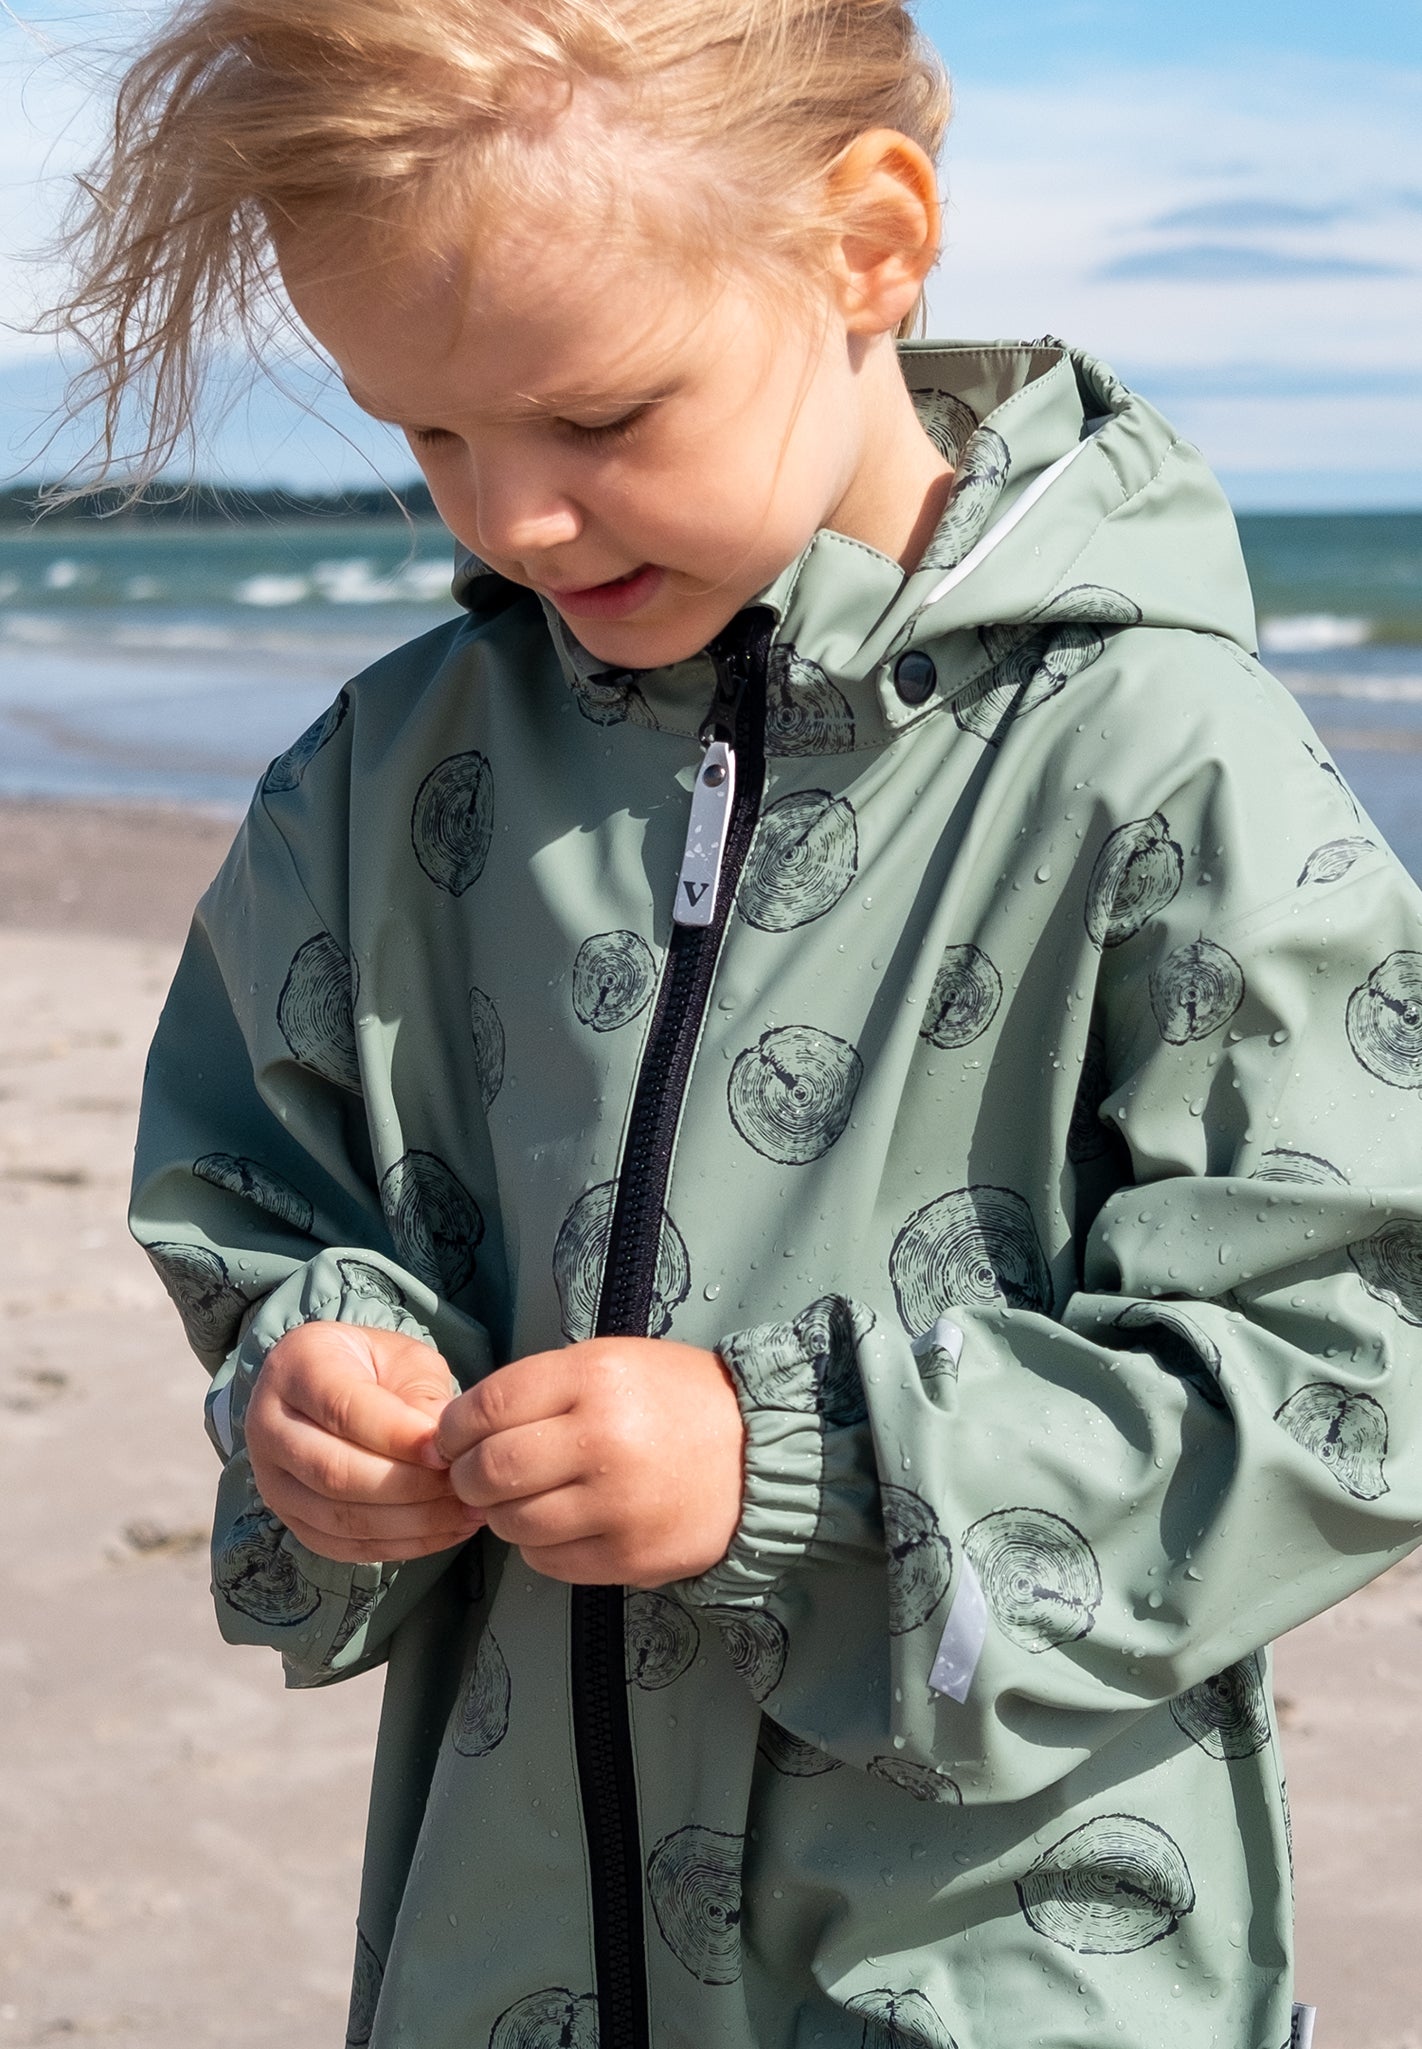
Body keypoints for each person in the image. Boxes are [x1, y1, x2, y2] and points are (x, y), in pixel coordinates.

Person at [54, 0, 1422, 2042]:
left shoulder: (1161, 766)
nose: (503, 517)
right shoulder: (387, 786)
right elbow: (262, 1178)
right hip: (508, 1955)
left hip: (1000, 1971)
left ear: (865, 248)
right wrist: (327, 1381)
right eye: (425, 429)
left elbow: (1350, 1354)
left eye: (597, 418)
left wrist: (802, 1460)